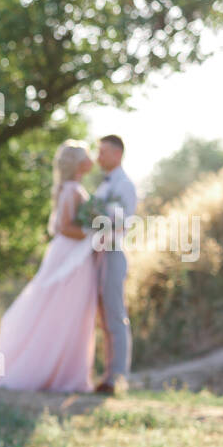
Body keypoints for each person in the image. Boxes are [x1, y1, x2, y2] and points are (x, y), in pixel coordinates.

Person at [0, 140, 99, 392]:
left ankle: (66, 372)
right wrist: (94, 229)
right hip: (70, 258)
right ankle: (56, 373)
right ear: (78, 163)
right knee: (66, 311)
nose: (91, 159)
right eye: (87, 155)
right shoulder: (72, 190)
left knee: (69, 312)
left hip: (71, 255)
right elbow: (64, 227)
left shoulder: (70, 188)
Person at [89, 134, 138, 394]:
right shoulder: (105, 185)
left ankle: (117, 377)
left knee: (115, 315)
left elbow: (121, 222)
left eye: (103, 152)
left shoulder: (125, 185)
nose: (99, 157)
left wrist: (96, 217)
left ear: (117, 154)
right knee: (102, 317)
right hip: (98, 253)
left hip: (113, 252)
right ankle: (107, 374)